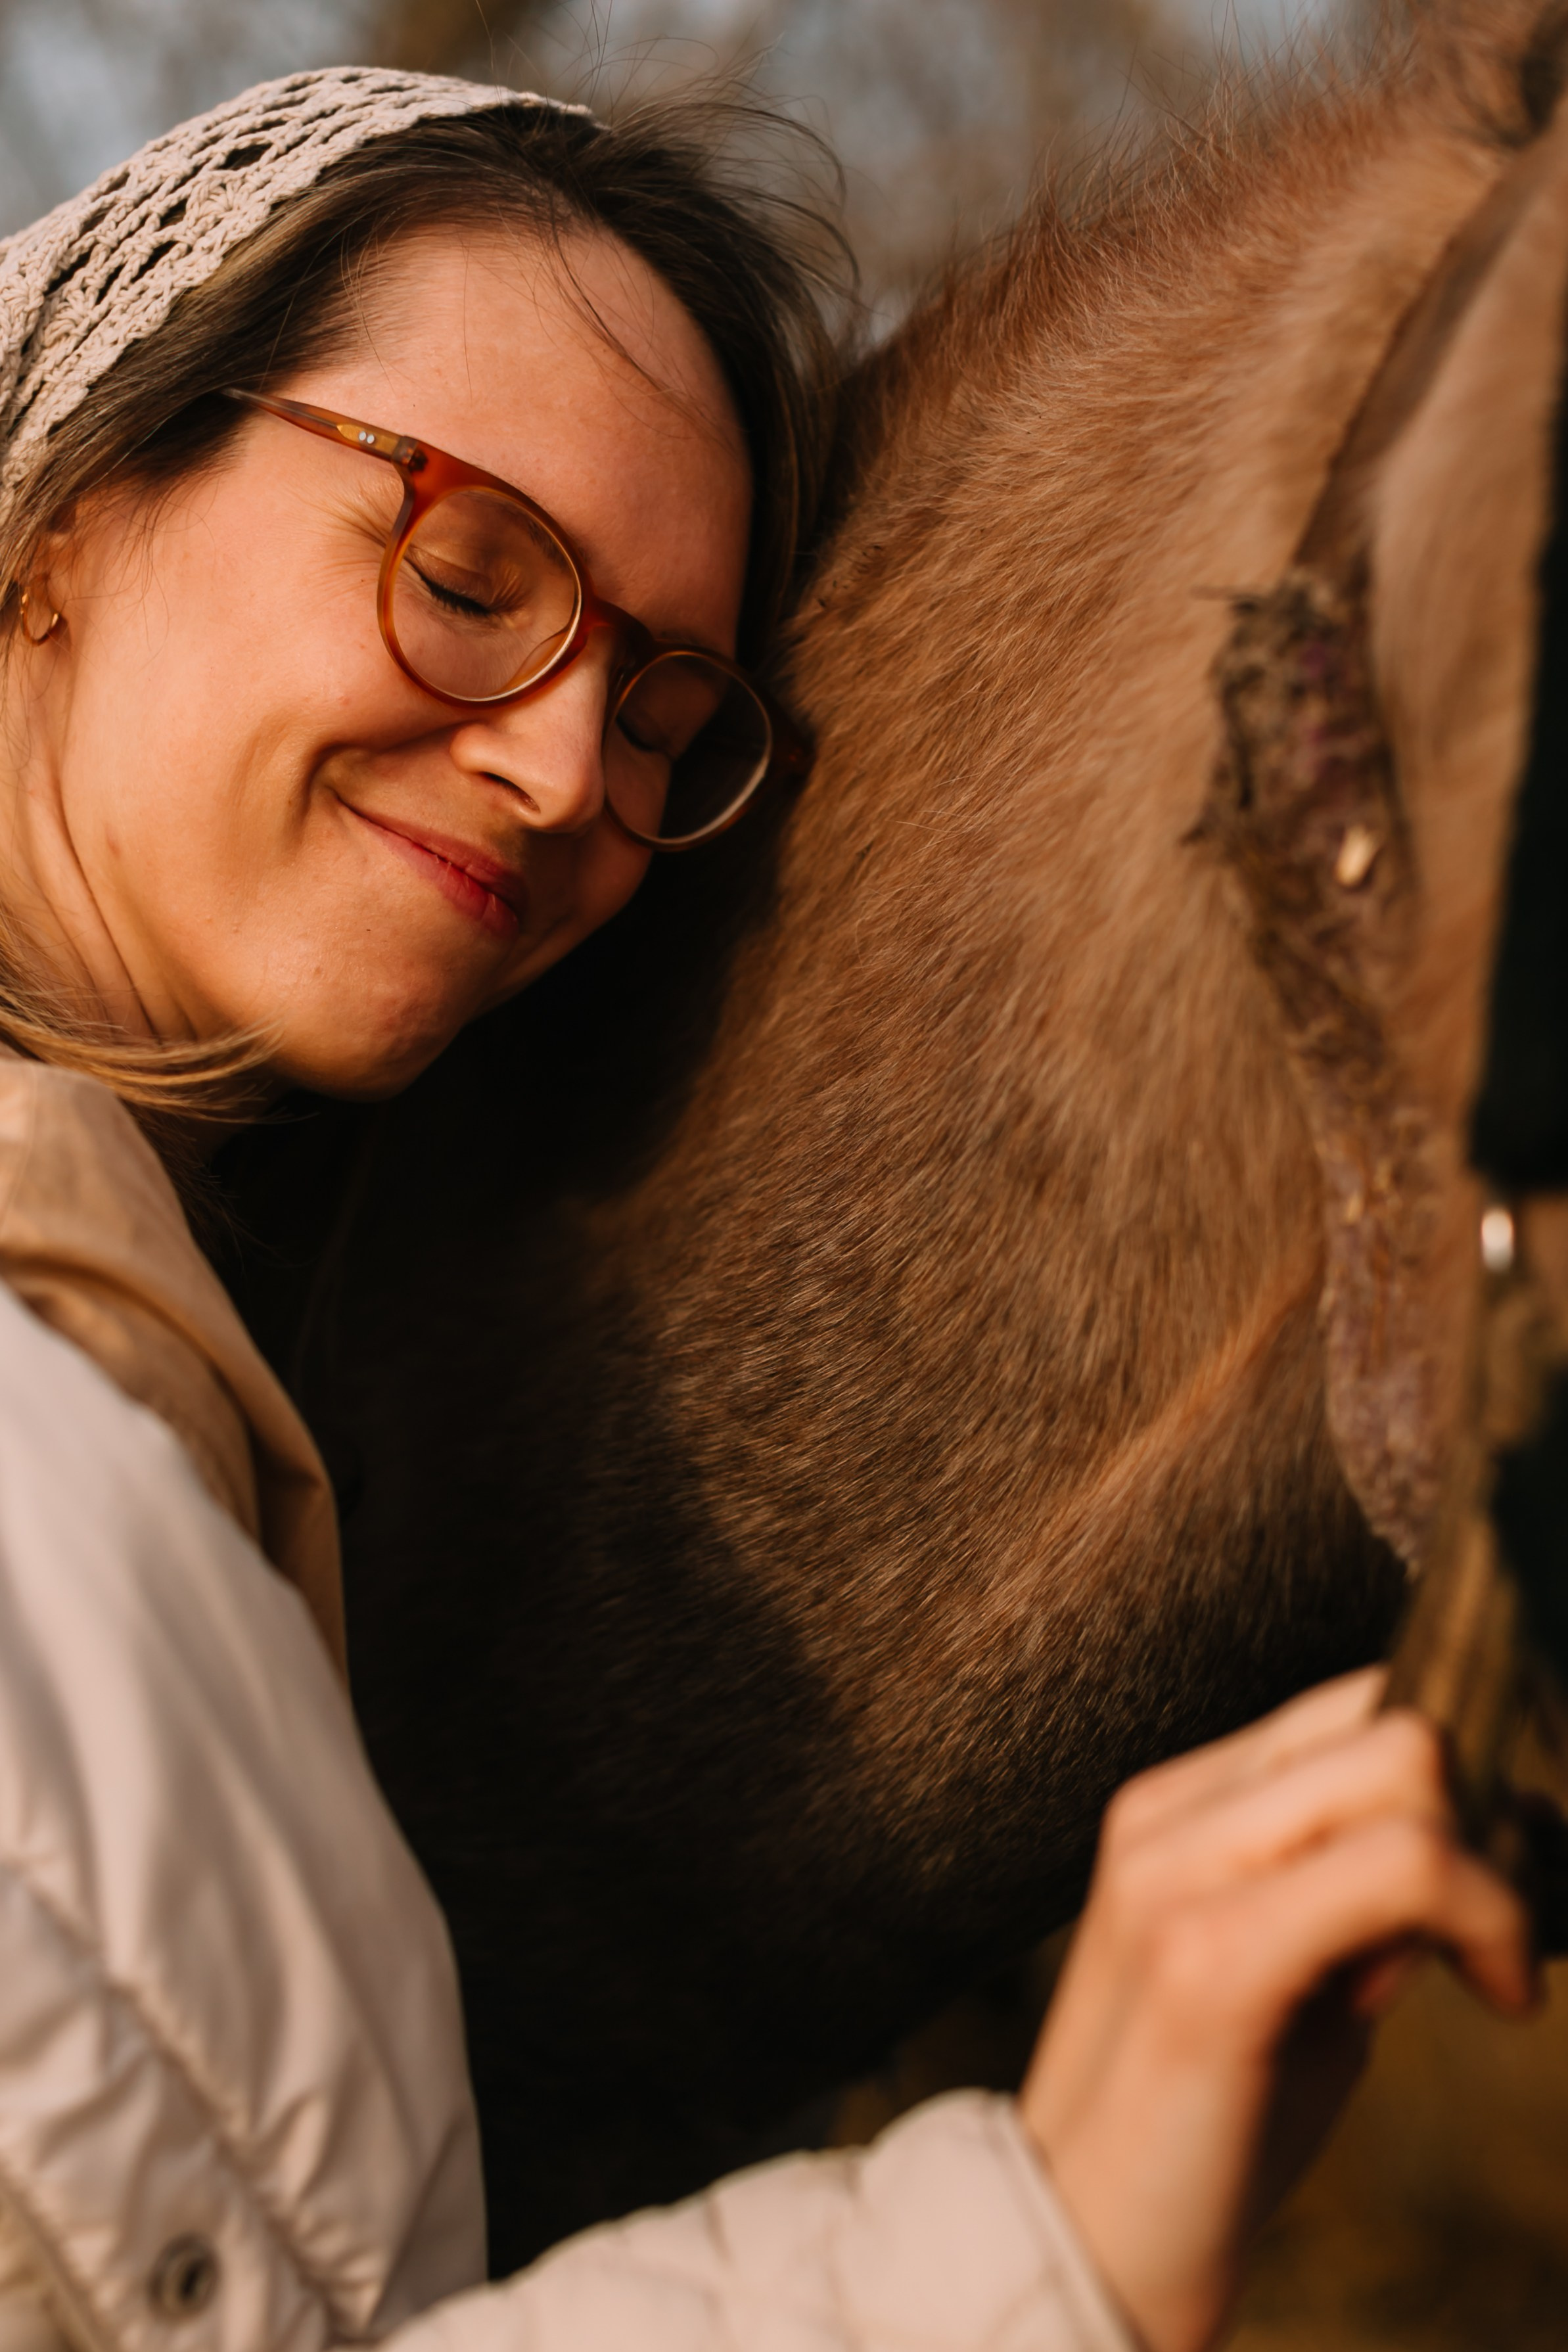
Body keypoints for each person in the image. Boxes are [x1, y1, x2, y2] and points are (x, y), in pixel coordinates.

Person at [0, 63, 1537, 2352]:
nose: (555, 770)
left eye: (662, 709)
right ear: (68, 506)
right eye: (469, 573)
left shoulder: (179, 1388)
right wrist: (1041, 2235)